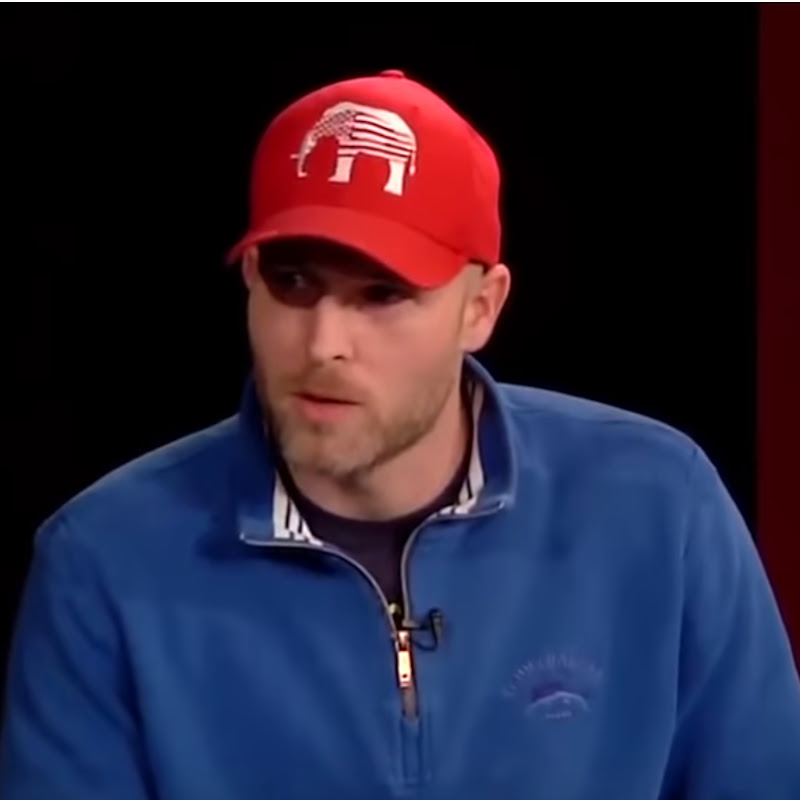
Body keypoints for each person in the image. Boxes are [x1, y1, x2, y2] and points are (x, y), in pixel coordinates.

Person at [1, 68, 799, 800]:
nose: (323, 344)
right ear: (249, 281)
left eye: (382, 294)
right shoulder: (103, 561)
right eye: (293, 282)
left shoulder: (659, 505)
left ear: (481, 308)